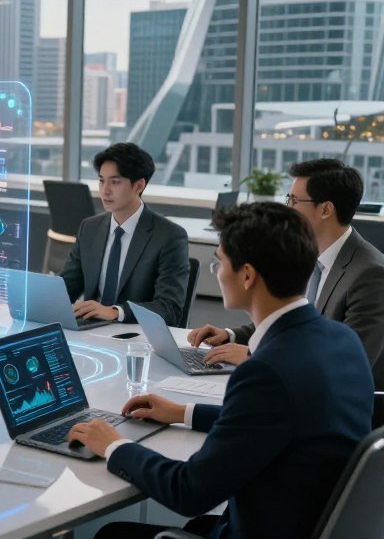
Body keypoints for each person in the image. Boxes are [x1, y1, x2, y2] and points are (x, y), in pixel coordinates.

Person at [69, 202, 373, 539]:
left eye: (219, 262)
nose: (216, 270)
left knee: (111, 534)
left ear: (246, 275)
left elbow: (189, 491)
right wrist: (184, 412)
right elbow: (276, 420)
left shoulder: (265, 372)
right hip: (300, 523)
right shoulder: (343, 340)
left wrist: (113, 445)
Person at [189, 160, 384, 397]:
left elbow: (347, 363)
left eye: (293, 201)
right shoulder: (306, 252)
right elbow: (288, 318)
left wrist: (255, 354)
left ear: (325, 210)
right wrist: (231, 335)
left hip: (335, 403)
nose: (287, 208)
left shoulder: (370, 273)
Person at [60, 142, 189, 325]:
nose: (105, 190)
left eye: (115, 182)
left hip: (136, 338)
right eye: (101, 180)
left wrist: (115, 312)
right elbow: (67, 287)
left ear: (139, 186)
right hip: (89, 332)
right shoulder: (89, 228)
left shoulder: (169, 236)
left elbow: (169, 308)